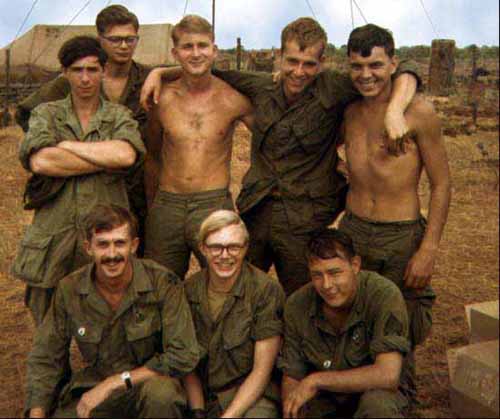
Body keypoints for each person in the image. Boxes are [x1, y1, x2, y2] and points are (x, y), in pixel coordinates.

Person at [141, 17, 420, 294]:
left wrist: (395, 111)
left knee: (305, 294)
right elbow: (201, 69)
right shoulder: (259, 87)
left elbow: (399, 71)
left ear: (322, 62)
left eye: (309, 63)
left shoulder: (335, 87)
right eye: (292, 61)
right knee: (239, 290)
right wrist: (160, 74)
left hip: (303, 217)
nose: (299, 71)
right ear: (279, 57)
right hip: (257, 210)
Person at [337, 23, 451, 398]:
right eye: (357, 66)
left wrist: (429, 248)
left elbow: (441, 184)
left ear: (393, 64)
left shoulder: (418, 113)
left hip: (400, 233)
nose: (366, 75)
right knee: (355, 315)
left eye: (375, 66)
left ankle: (400, 398)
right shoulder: (349, 111)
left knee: (401, 320)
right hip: (353, 230)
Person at [11, 36, 145, 325]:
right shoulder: (46, 113)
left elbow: (124, 155)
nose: (85, 78)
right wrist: (100, 157)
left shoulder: (119, 115)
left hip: (104, 237)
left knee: (110, 319)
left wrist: (66, 147)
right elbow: (41, 161)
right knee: (48, 325)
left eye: (92, 69)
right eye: (77, 70)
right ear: (65, 73)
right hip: (54, 236)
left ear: (103, 71)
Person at [25, 205, 200, 418]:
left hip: (148, 384)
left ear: (134, 245)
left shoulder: (163, 283)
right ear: (88, 248)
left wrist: (117, 382)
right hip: (95, 388)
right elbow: (46, 356)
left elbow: (183, 354)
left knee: (162, 395)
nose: (112, 254)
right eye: (103, 244)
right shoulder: (69, 289)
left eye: (119, 243)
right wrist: (37, 413)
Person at [16, 5, 154, 256]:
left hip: (132, 187)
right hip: (68, 193)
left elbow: (126, 155)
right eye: (115, 39)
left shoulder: (148, 78)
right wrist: (62, 143)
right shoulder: (67, 83)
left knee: (122, 260)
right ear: (100, 40)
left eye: (130, 39)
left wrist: (67, 147)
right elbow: (28, 119)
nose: (124, 45)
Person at [143, 15, 254, 279]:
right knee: (159, 283)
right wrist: (153, 206)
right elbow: (152, 155)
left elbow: (271, 138)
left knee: (225, 281)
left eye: (203, 46)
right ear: (175, 52)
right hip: (168, 203)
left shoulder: (233, 98)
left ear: (214, 50)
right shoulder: (161, 98)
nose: (195, 53)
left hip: (213, 202)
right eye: (187, 47)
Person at [280, 229, 411, 418]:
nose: (326, 285)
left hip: (374, 391)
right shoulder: (297, 304)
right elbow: (292, 375)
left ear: (355, 265)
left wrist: (316, 380)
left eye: (335, 273)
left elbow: (387, 375)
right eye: (317, 275)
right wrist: (292, 408)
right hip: (326, 398)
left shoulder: (383, 295)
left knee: (378, 406)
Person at [182, 210, 285, 418]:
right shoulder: (188, 290)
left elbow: (261, 372)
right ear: (203, 248)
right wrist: (198, 411)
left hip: (246, 394)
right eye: (216, 247)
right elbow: (185, 360)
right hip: (198, 394)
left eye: (234, 247)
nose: (225, 255)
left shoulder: (265, 291)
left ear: (245, 248)